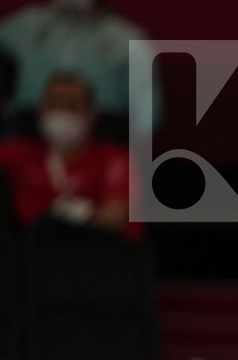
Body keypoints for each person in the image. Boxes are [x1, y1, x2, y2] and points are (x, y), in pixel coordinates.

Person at [0, 0, 149, 131]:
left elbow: (148, 115)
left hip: (100, 130)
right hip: (31, 126)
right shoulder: (26, 24)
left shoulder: (126, 38)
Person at [0, 71, 140, 239]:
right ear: (39, 111)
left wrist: (84, 215)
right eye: (54, 104)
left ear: (91, 114)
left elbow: (116, 215)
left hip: (100, 253)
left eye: (72, 106)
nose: (62, 114)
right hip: (36, 255)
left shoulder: (114, 158)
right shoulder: (20, 153)